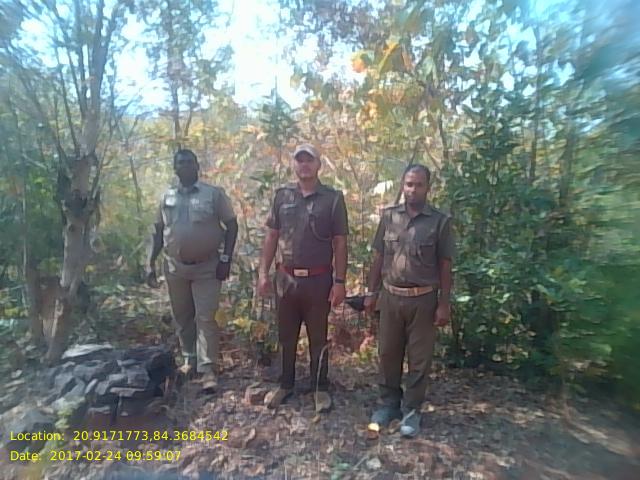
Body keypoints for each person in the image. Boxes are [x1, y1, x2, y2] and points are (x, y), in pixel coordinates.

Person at [257, 143, 349, 412]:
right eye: (300, 160)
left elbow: (340, 242)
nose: (304, 165)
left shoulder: (332, 199)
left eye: (309, 160)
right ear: (294, 164)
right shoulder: (282, 196)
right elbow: (271, 236)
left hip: (318, 280)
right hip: (286, 279)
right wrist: (263, 273)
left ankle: (320, 388)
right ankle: (285, 384)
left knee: (318, 338)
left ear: (319, 164)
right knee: (286, 336)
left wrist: (340, 282)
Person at [364, 164, 454, 437]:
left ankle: (412, 411)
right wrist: (371, 292)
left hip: (423, 300)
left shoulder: (440, 221)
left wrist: (444, 303)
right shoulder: (389, 217)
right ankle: (388, 404)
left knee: (419, 359)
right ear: (403, 186)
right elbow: (379, 257)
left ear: (428, 188)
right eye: (409, 184)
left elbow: (445, 264)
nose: (413, 190)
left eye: (419, 185)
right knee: (388, 354)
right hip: (391, 297)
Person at [147, 149, 238, 392]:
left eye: (189, 162)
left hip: (207, 267)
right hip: (175, 267)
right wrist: (150, 263)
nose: (185, 166)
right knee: (182, 316)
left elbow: (231, 225)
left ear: (197, 166)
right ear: (174, 168)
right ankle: (190, 361)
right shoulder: (166, 197)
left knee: (206, 317)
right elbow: (158, 231)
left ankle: (207, 369)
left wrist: (226, 259)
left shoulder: (213, 194)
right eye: (180, 163)